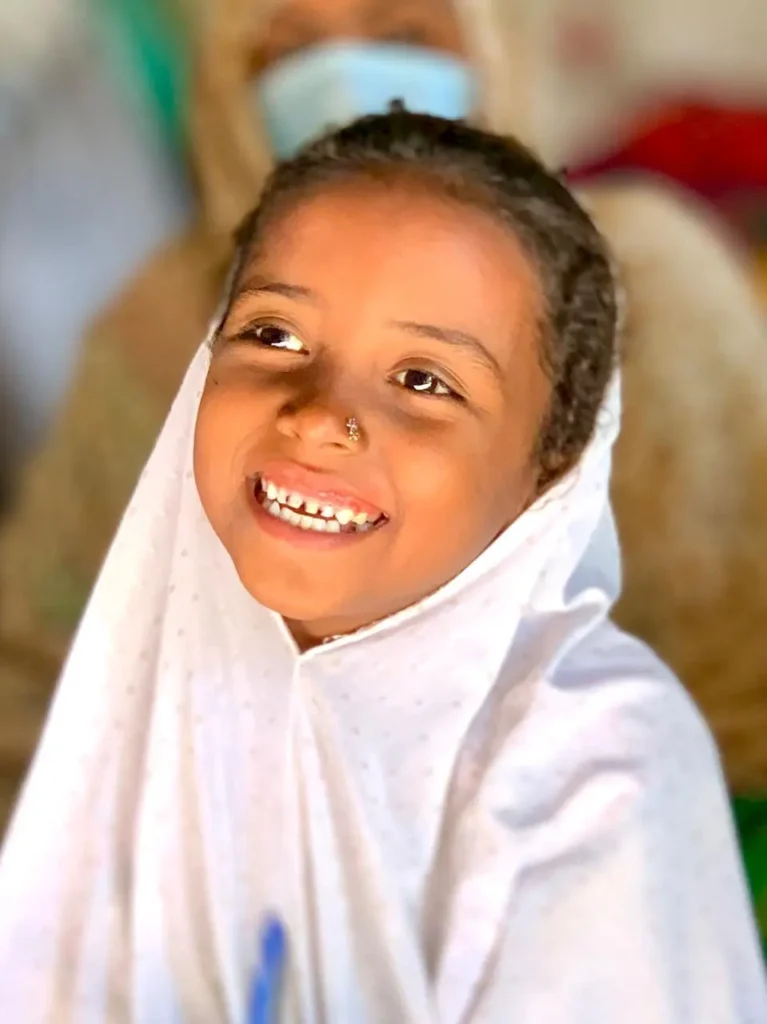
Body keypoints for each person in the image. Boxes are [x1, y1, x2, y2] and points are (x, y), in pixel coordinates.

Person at [1, 108, 765, 1022]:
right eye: (275, 335)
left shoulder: (592, 768)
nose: (319, 414)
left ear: (548, 474)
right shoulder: (164, 694)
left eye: (423, 381)